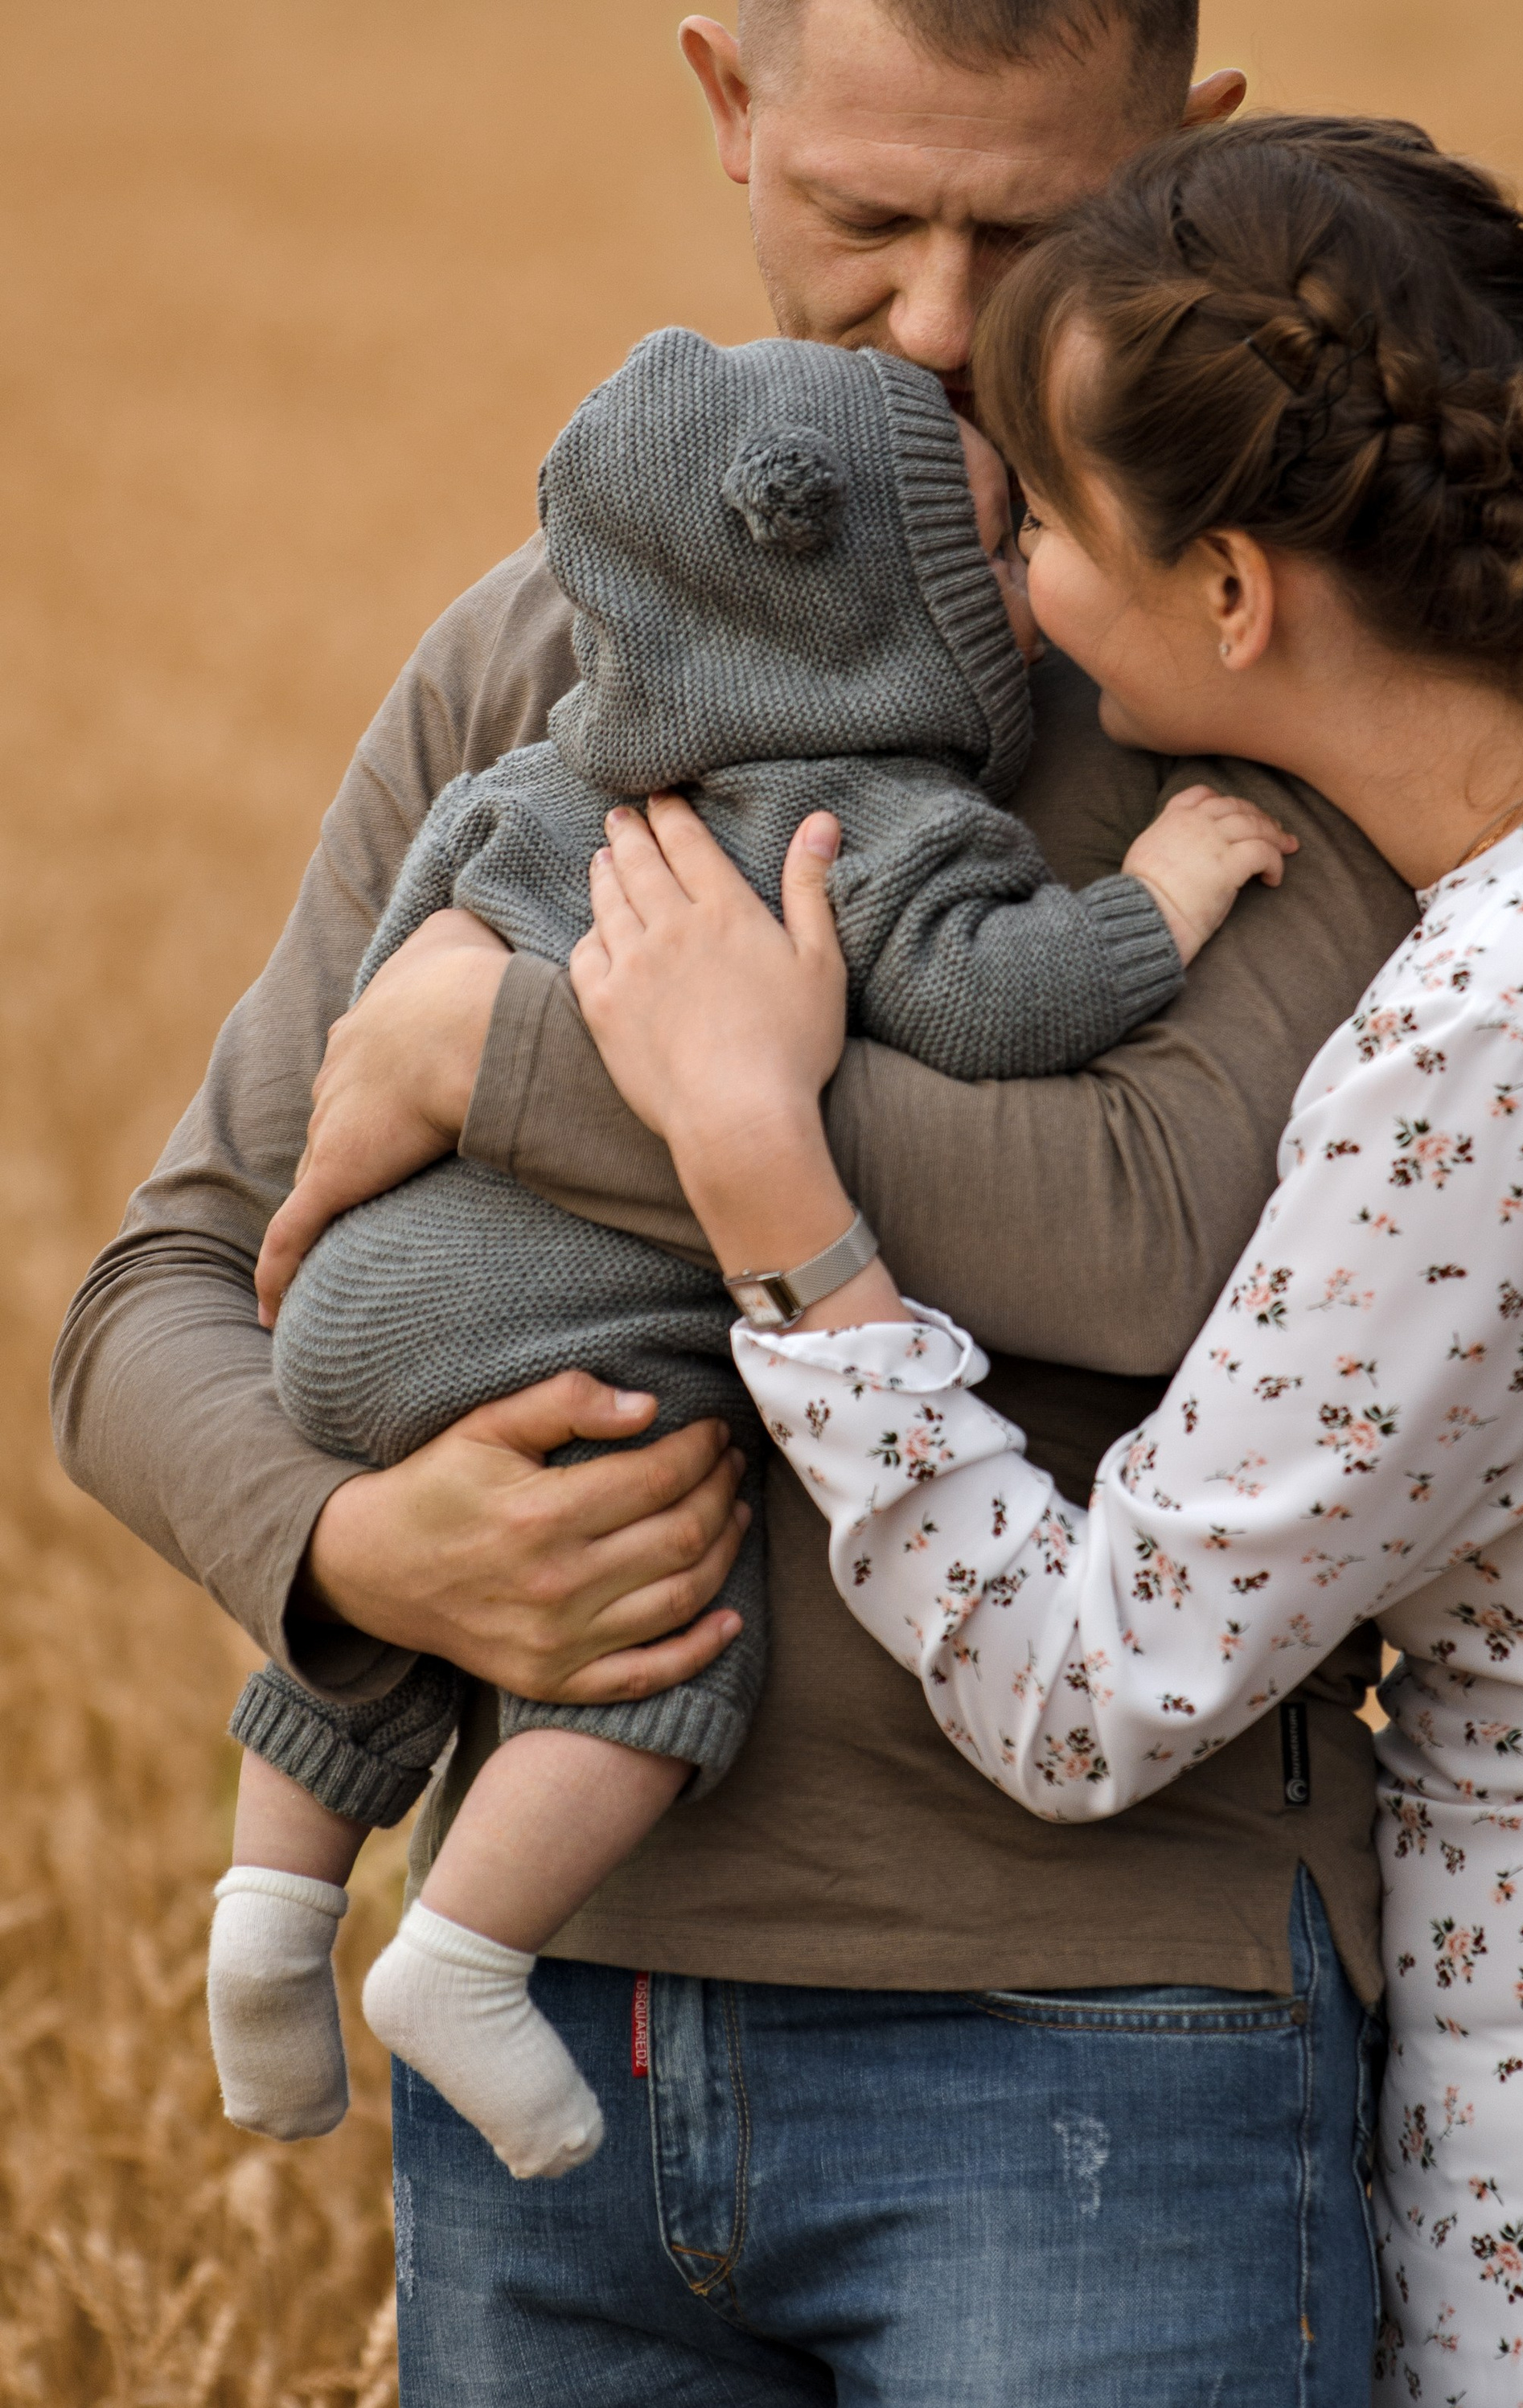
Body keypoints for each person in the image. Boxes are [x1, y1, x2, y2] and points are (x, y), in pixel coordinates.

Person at [55, 0, 1411, 2399]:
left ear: (1193, 167)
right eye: (860, 216)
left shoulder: (1263, 653)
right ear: (727, 110)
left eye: (1023, 233)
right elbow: (160, 1290)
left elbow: (1148, 1225)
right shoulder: (529, 655)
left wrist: (521, 1052)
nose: (929, 319)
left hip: (1099, 2054)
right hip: (546, 2037)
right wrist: (354, 1563)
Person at [565, 113, 1523, 2402]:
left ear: (1237, 591)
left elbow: (1097, 1685)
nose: (1021, 574)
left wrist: (773, 1181)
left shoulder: (1514, 1028)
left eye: (1047, 524)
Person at [213, 322, 1289, 2184]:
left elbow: (398, 975)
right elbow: (999, 995)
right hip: (574, 1315)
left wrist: (414, 1096)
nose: (1020, 580)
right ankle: (461, 1951)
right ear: (892, 617)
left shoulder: (551, 772)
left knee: (423, 1552)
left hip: (363, 1298)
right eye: (987, 550)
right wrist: (1164, 893)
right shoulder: (865, 816)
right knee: (648, 1621)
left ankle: (264, 1896)